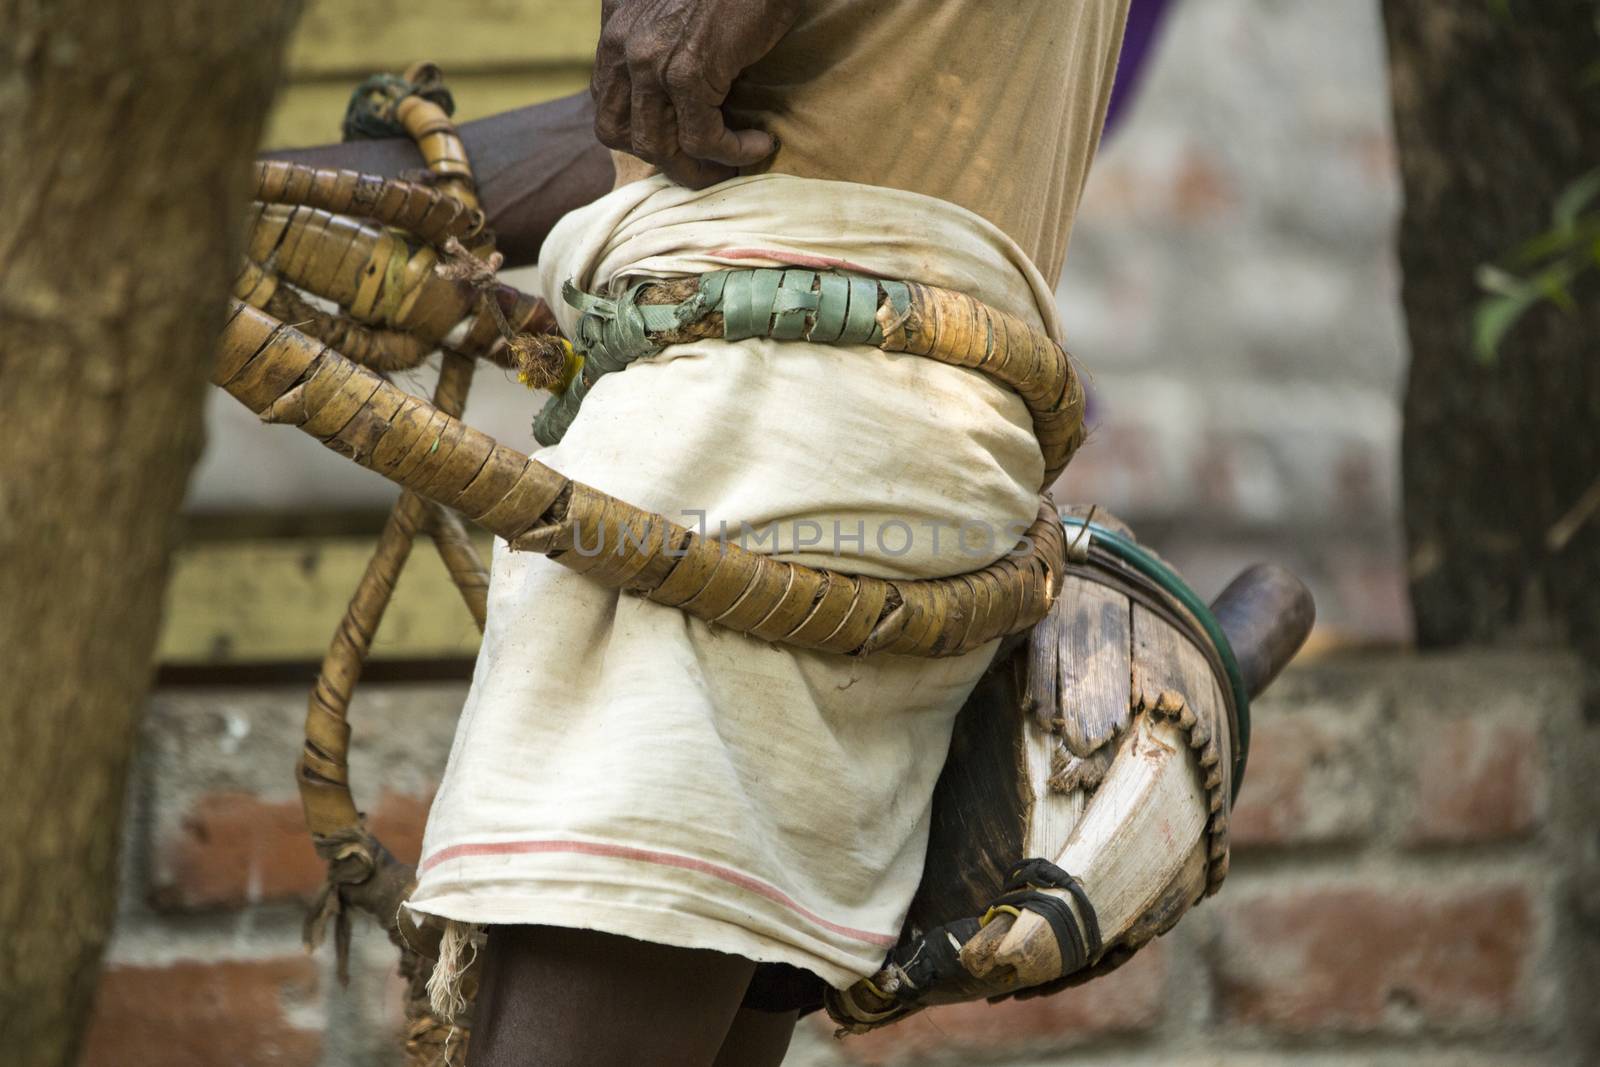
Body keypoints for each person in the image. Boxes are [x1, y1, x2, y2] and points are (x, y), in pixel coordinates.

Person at [277, 3, 1131, 1063]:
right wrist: (242, 204)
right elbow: (672, 128)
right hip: (836, 439)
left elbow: (686, 65)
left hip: (759, 436)